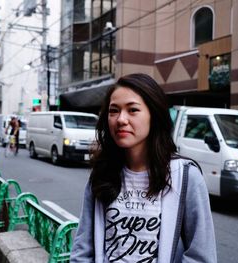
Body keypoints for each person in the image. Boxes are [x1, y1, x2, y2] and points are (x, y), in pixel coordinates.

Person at [70, 73, 217, 263]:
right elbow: (83, 249)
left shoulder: (186, 175)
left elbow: (201, 255)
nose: (121, 119)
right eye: (113, 111)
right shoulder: (102, 174)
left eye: (132, 110)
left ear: (153, 115)